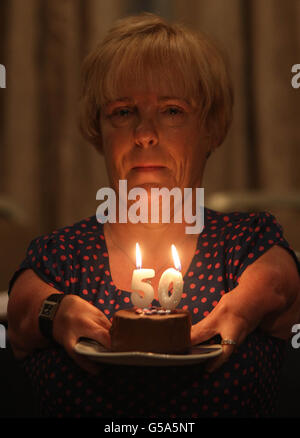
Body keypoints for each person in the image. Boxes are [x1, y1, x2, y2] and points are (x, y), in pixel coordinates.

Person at [7, 13, 300, 418]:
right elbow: (21, 311)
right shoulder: (62, 256)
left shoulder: (245, 243)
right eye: (123, 112)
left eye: (172, 111)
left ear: (212, 127)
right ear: (99, 130)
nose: (145, 133)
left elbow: (283, 283)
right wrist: (54, 312)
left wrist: (242, 308)